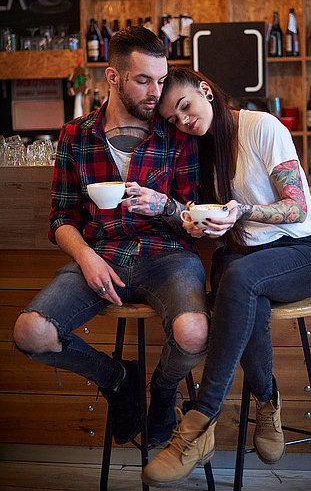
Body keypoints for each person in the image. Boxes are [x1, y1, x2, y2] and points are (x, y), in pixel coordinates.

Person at [12, 30, 210, 450]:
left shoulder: (177, 133)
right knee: (30, 332)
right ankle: (119, 379)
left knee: (194, 332)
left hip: (167, 255)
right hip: (101, 253)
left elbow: (194, 218)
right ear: (113, 76)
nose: (156, 92)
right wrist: (85, 257)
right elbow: (61, 218)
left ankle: (162, 393)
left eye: (161, 80)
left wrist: (165, 206)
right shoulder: (75, 136)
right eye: (143, 80)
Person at [142, 67, 311, 486]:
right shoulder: (202, 152)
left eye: (185, 106)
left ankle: (200, 418)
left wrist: (243, 211)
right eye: (173, 119)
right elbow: (211, 219)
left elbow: (296, 208)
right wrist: (193, 222)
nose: (184, 121)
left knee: (238, 277)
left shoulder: (262, 126)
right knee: (236, 277)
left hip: (299, 253)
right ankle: (267, 400)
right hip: (246, 258)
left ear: (206, 91)